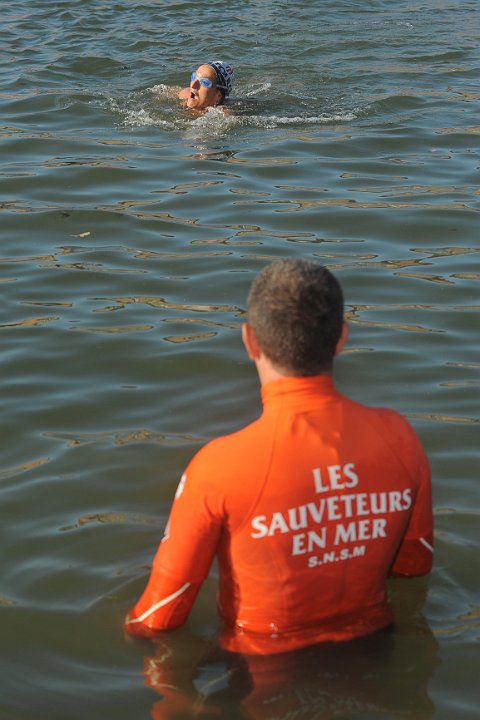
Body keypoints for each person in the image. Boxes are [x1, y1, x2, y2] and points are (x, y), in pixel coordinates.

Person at [124, 258, 433, 655]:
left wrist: (128, 634)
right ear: (341, 338)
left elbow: (160, 616)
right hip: (374, 648)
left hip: (260, 667)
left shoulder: (219, 466)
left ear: (249, 341)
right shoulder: (399, 438)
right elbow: (415, 565)